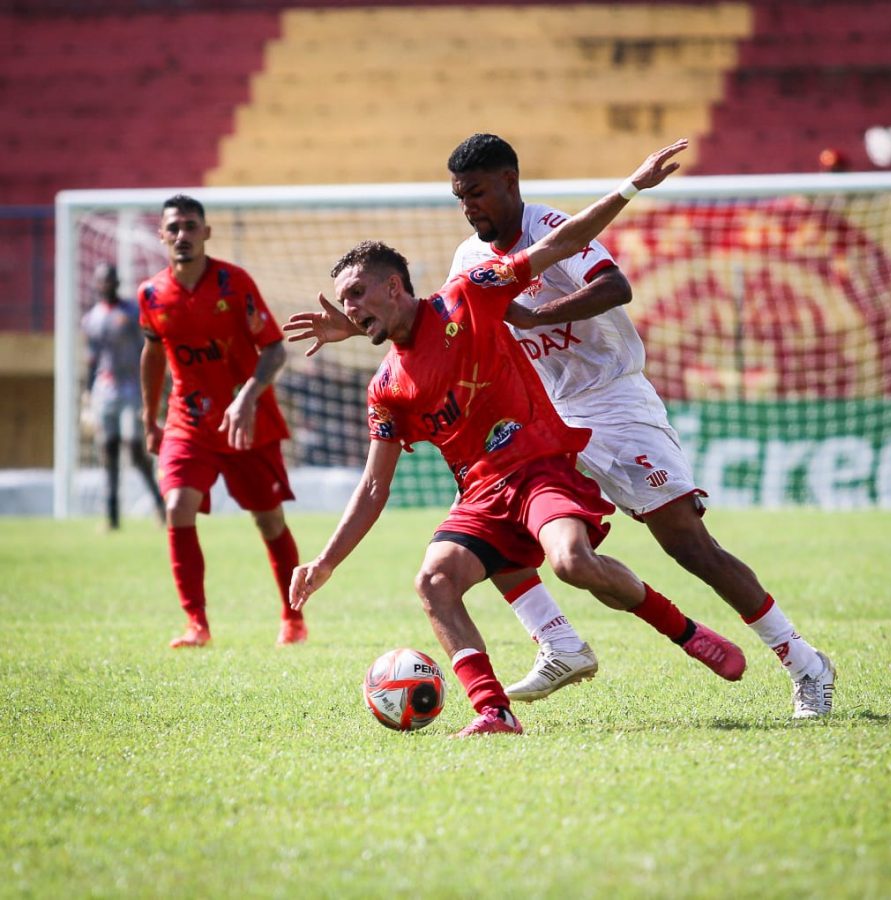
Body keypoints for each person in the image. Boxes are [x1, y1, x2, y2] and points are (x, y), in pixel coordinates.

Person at [288, 139, 747, 739]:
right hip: (480, 494)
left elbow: (557, 243)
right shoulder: (385, 388)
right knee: (433, 580)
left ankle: (686, 632)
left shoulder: (469, 295)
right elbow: (374, 485)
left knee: (572, 562)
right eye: (344, 302)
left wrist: (631, 187)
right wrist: (324, 563)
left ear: (396, 287)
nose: (348, 310)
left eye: (357, 296)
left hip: (538, 468)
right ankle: (493, 713)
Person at [443, 133, 834, 719]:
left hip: (615, 401)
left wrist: (536, 316)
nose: (469, 208)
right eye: (459, 198)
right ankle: (558, 642)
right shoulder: (468, 259)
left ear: (508, 182)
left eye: (475, 193)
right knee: (496, 519)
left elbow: (615, 286)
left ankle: (803, 661)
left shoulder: (550, 227)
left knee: (688, 545)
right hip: (543, 415)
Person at [139, 194, 307, 648]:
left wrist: (248, 398)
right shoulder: (151, 295)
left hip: (248, 422)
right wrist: (150, 417)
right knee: (177, 507)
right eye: (173, 228)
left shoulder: (235, 284)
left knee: (269, 520)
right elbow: (154, 352)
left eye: (191, 226)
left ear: (206, 233)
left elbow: (274, 349)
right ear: (162, 235)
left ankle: (293, 617)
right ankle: (197, 624)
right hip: (187, 422)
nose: (182, 235)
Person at [81, 261, 165, 531]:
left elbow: (149, 349)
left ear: (117, 282)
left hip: (132, 386)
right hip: (105, 390)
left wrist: (153, 386)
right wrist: (87, 393)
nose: (105, 285)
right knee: (108, 449)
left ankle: (160, 505)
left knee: (134, 446)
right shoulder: (91, 318)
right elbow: (92, 360)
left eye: (110, 280)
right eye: (101, 280)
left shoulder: (131, 312)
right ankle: (112, 516)